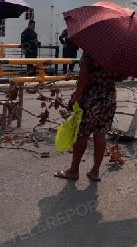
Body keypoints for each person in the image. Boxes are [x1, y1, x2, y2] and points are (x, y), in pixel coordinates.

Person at [54, 54, 126, 182]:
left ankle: (74, 170)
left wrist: (75, 98)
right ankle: (95, 171)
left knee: (82, 134)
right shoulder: (119, 55)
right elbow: (122, 77)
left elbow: (84, 76)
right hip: (108, 98)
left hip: (90, 98)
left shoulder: (92, 52)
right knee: (100, 134)